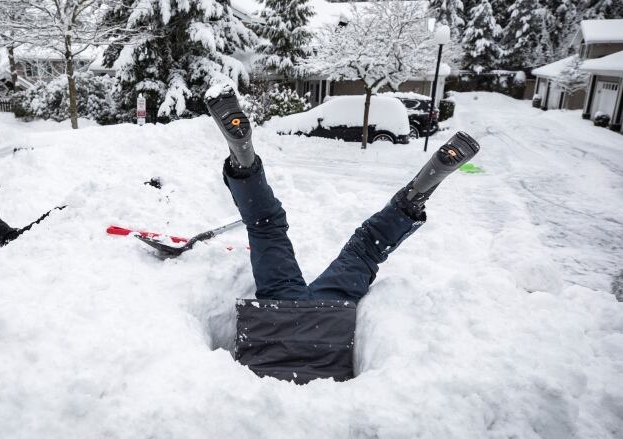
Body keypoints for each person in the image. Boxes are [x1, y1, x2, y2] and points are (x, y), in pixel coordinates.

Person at [203, 87, 480, 384]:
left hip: (329, 317)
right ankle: (243, 161)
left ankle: (416, 194)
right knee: (264, 226)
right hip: (279, 313)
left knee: (365, 250)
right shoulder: (255, 408)